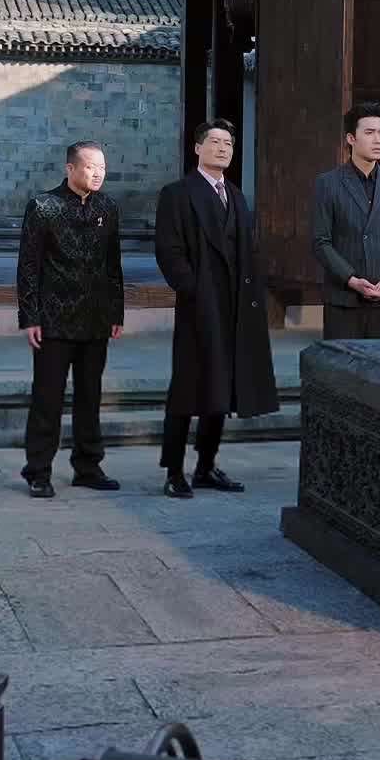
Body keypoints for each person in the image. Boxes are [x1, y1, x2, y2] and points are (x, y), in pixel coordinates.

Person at [154, 118, 278, 500]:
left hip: (236, 307)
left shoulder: (236, 196)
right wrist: (191, 288)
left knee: (223, 388)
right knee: (186, 389)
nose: (223, 148)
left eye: (228, 143)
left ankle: (206, 465)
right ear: (197, 148)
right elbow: (168, 250)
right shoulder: (177, 193)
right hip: (199, 306)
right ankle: (174, 470)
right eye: (215, 142)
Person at [17, 140, 124, 500]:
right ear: (71, 168)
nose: (98, 173)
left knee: (90, 397)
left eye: (102, 168)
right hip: (53, 321)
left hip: (95, 319)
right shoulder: (43, 207)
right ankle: (38, 471)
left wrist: (116, 312)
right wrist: (30, 316)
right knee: (47, 399)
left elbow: (113, 265)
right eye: (91, 166)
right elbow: (28, 267)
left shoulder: (108, 207)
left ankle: (88, 467)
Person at [310, 105, 380, 340]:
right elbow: (320, 242)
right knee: (342, 362)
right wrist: (351, 279)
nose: (377, 140)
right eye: (369, 133)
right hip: (343, 297)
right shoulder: (328, 183)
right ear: (351, 138)